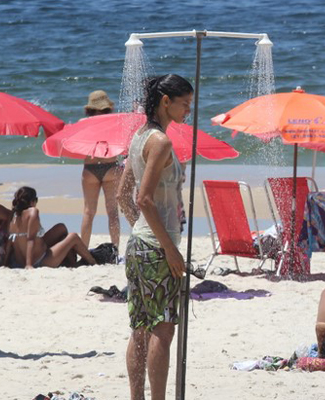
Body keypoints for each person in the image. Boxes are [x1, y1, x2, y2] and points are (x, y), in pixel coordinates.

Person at [116, 74, 191, 400]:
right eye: (184, 104)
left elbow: (122, 197)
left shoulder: (139, 137)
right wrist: (168, 247)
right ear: (166, 102)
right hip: (157, 248)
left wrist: (141, 232)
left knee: (140, 328)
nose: (188, 110)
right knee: (163, 327)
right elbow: (142, 199)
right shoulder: (160, 141)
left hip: (139, 245)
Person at [8, 186, 96, 269]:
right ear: (32, 201)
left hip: (19, 261)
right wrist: (29, 264)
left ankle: (71, 261)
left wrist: (5, 262)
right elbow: (30, 239)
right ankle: (93, 262)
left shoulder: (14, 217)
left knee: (61, 228)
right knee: (73, 237)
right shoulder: (32, 212)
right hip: (39, 261)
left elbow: (9, 242)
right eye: (36, 200)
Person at [80, 90, 122, 248]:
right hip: (110, 167)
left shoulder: (82, 122)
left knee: (88, 212)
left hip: (90, 168)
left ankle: (83, 249)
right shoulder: (114, 122)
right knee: (112, 212)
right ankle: (116, 249)